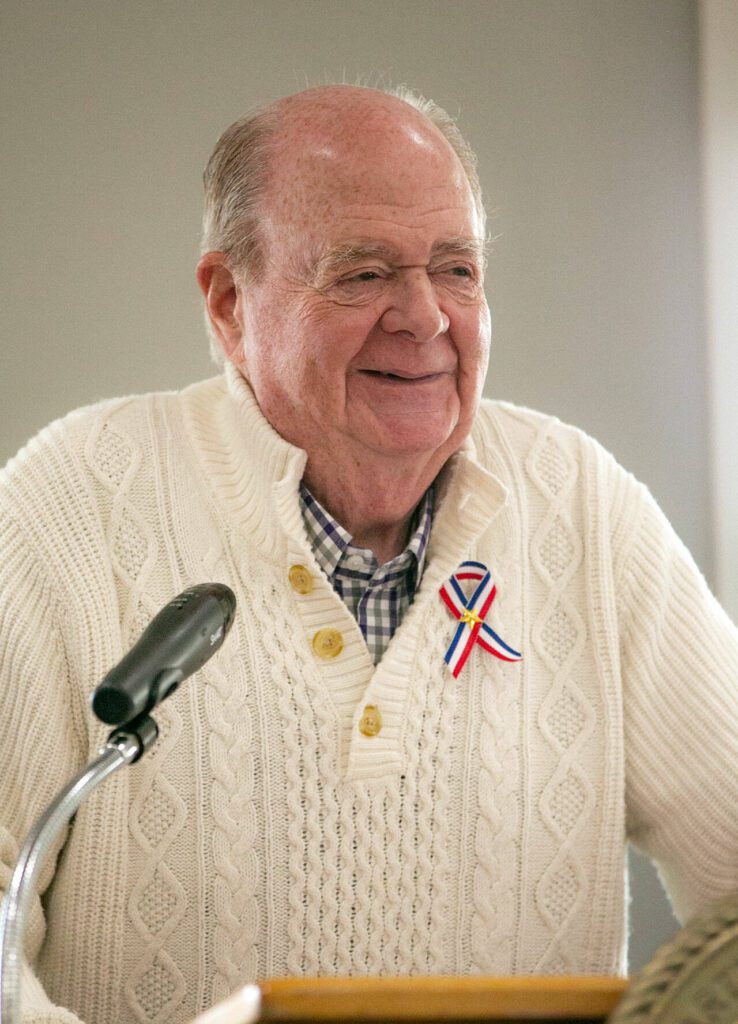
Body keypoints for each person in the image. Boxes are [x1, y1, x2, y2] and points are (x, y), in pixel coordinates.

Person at [1, 84, 737, 1024]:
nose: (425, 318)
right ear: (229, 303)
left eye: (456, 269)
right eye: (363, 273)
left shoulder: (581, 504)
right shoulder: (71, 504)